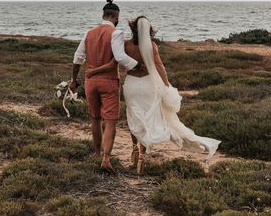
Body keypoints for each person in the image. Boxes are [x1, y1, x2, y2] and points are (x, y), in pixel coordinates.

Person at [87, 15, 220, 173]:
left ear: (133, 29)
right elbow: (159, 67)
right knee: (146, 118)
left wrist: (94, 70)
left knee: (134, 116)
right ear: (149, 31)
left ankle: (134, 149)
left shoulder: (126, 45)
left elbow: (116, 61)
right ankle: (142, 156)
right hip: (149, 85)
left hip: (132, 85)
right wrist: (166, 84)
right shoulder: (152, 47)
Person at [71, 0, 141, 173]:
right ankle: (106, 159)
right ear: (116, 17)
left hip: (90, 82)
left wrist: (73, 80)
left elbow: (78, 57)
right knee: (110, 121)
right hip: (108, 81)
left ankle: (96, 153)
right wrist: (138, 66)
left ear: (103, 15)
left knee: (95, 118)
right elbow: (119, 57)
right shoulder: (116, 33)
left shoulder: (89, 33)